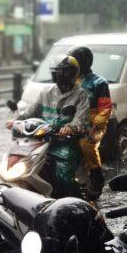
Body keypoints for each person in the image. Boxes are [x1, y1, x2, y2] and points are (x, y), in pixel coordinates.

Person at [5, 55, 89, 198]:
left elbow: (81, 119)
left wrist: (70, 127)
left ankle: (72, 199)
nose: (59, 75)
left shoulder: (81, 95)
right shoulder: (45, 93)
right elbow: (30, 113)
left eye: (63, 72)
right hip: (40, 140)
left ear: (72, 73)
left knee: (63, 176)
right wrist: (15, 120)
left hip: (64, 143)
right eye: (57, 72)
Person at [68, 46, 112, 200]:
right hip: (75, 121)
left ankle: (96, 176)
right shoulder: (71, 81)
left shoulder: (100, 83)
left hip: (94, 124)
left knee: (85, 144)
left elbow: (105, 108)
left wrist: (96, 124)